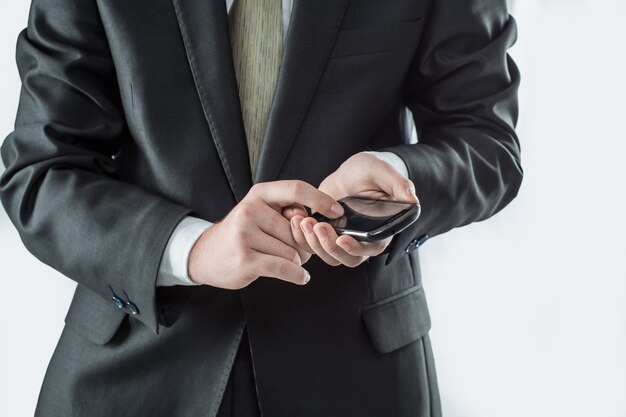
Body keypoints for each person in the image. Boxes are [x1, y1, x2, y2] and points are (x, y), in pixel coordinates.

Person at [0, 0, 522, 415]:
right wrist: (192, 249)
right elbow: (43, 170)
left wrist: (397, 177)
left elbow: (486, 141)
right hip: (132, 375)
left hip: (357, 378)